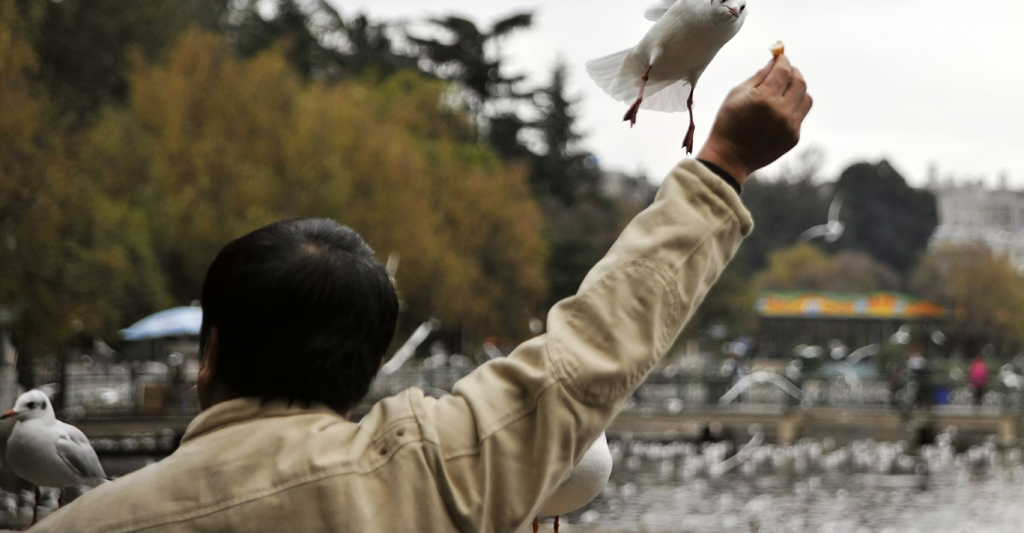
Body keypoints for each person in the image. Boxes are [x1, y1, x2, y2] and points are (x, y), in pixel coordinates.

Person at [33, 54, 811, 532]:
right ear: (363, 369)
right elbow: (589, 352)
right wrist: (722, 165)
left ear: (210, 357)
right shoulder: (425, 475)